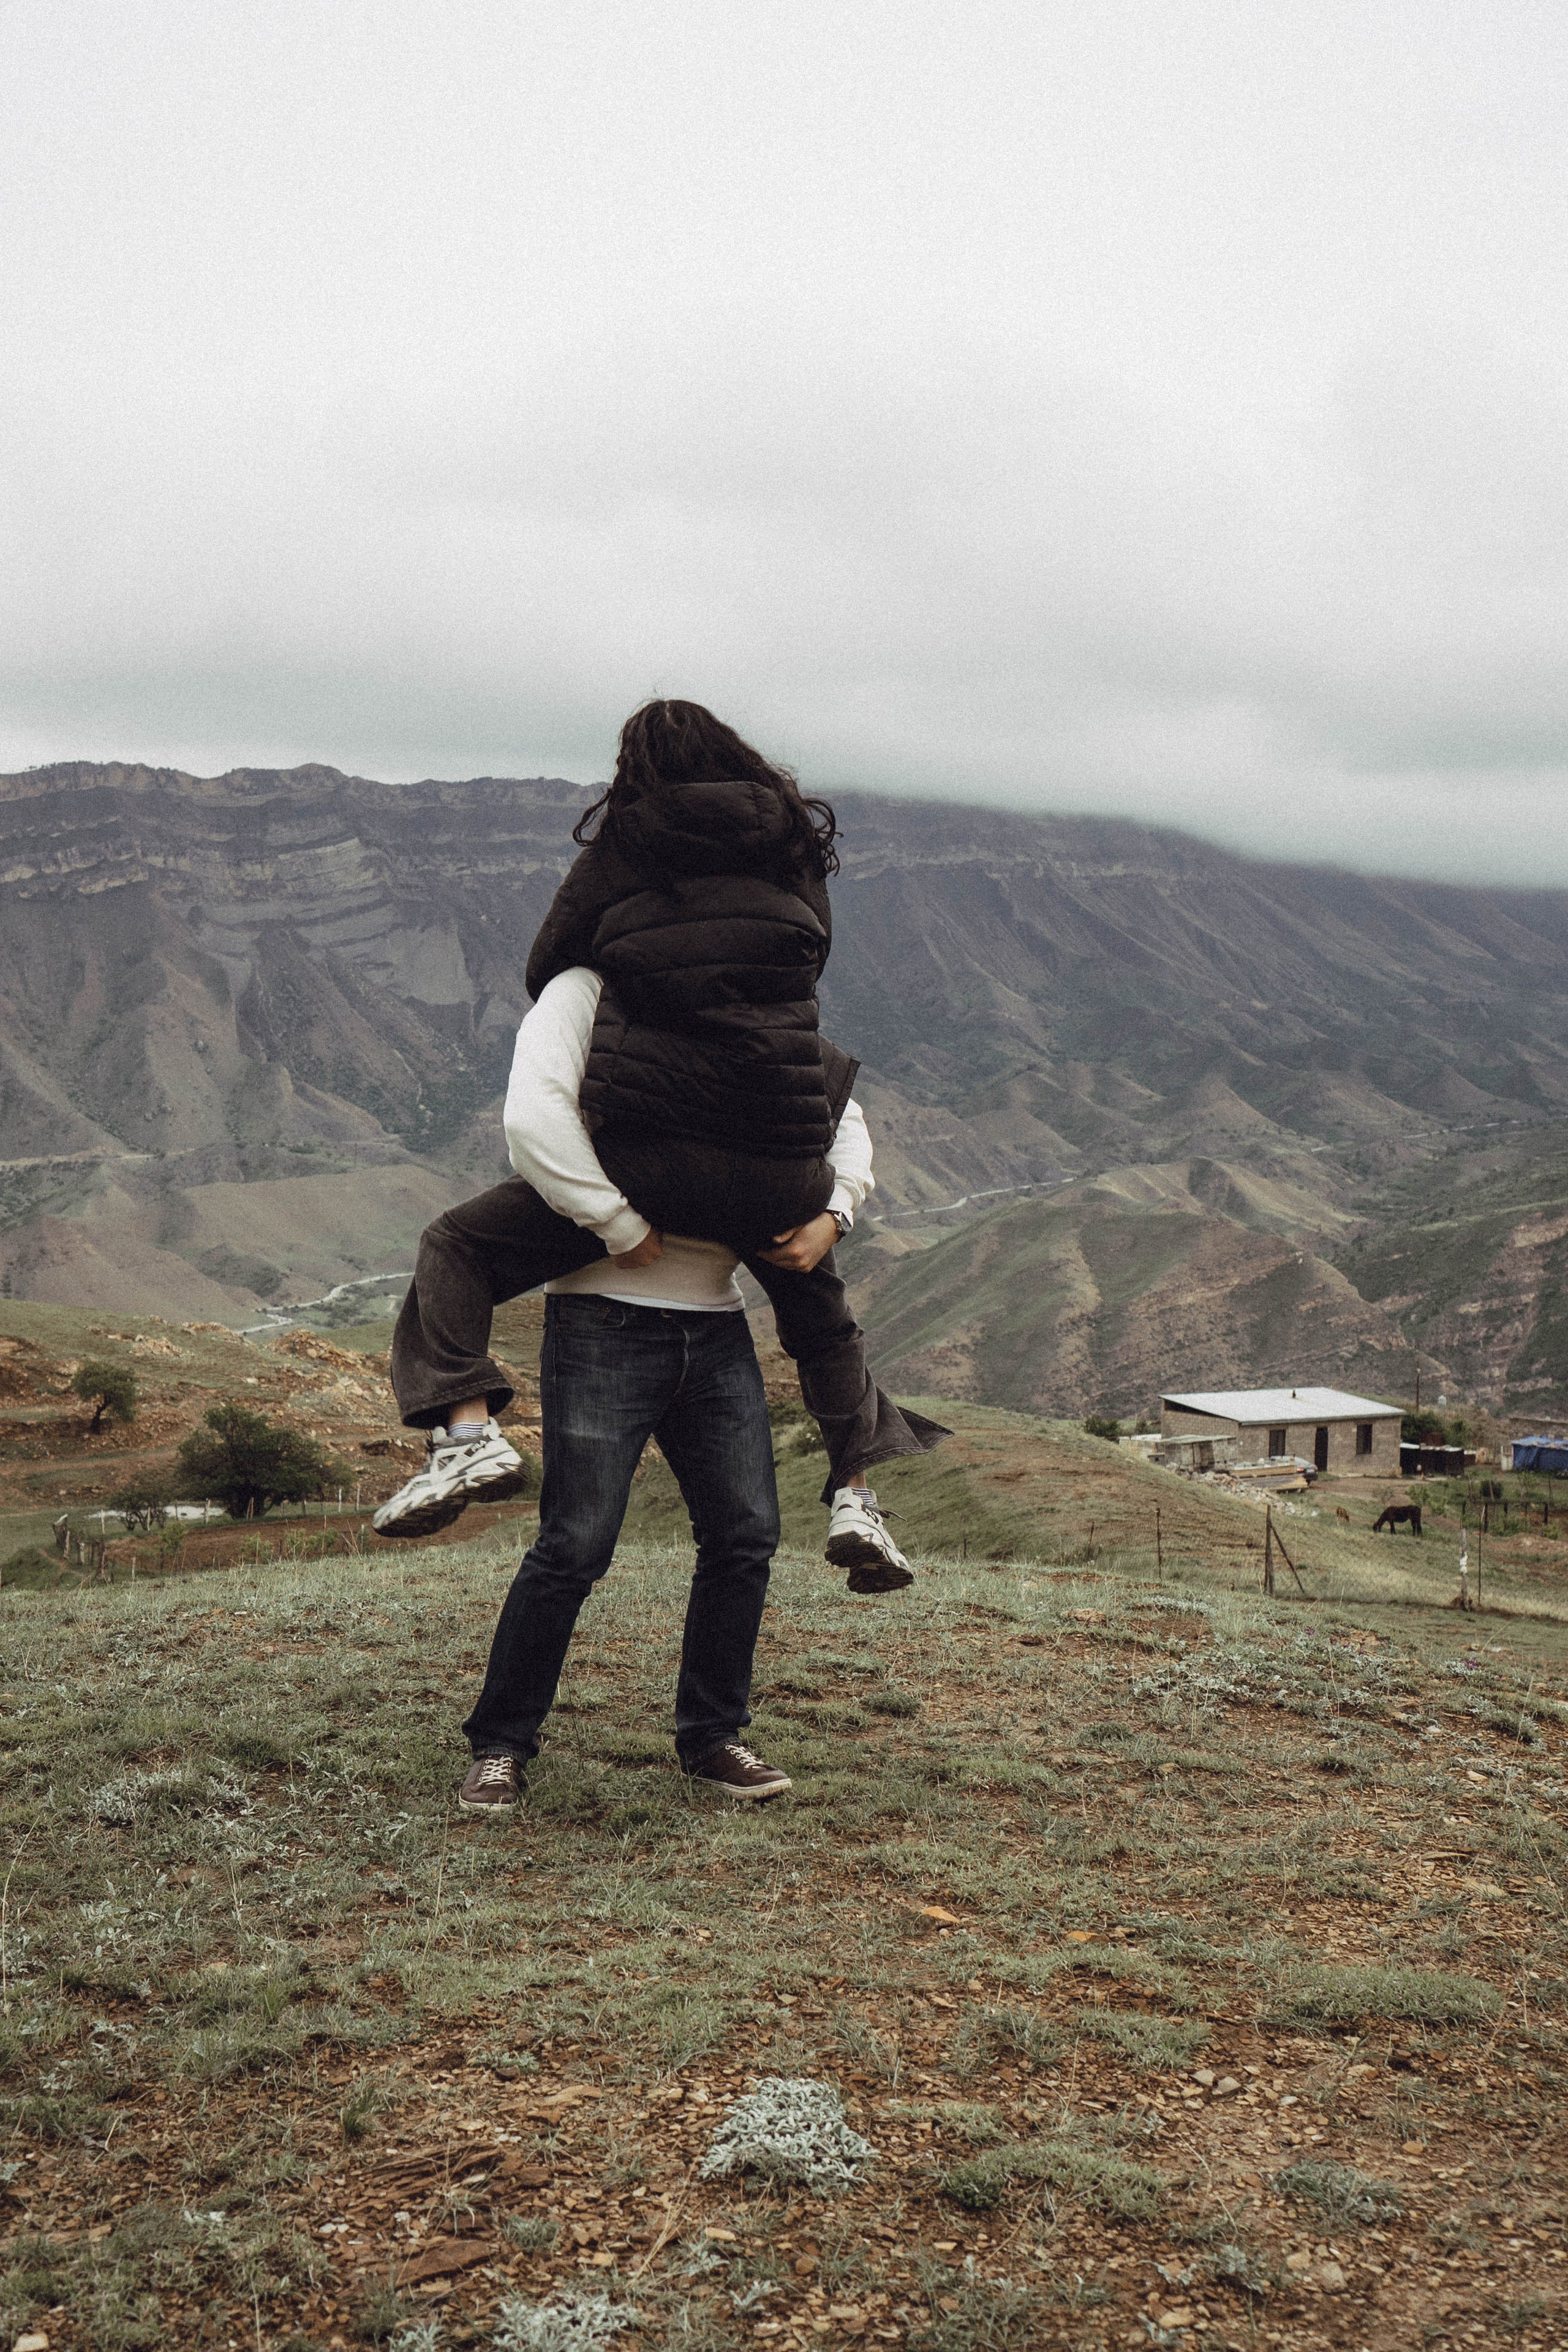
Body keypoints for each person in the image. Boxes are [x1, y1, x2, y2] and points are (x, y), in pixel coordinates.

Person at [375, 701, 947, 1596]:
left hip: (652, 1169)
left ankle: (466, 1433)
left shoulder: (627, 844)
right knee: (824, 1321)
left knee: (456, 1245)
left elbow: (552, 955)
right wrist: (834, 1207)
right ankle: (856, 1494)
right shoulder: (790, 848)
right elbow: (814, 954)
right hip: (775, 1174)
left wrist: (620, 1007)